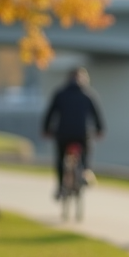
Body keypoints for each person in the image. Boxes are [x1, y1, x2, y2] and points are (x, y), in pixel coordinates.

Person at [42, 67, 105, 198]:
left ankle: (60, 187)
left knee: (60, 159)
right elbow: (96, 115)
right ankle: (86, 172)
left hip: (62, 133)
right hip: (82, 133)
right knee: (87, 150)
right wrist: (99, 130)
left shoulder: (60, 94)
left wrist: (46, 129)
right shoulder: (88, 95)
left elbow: (50, 113)